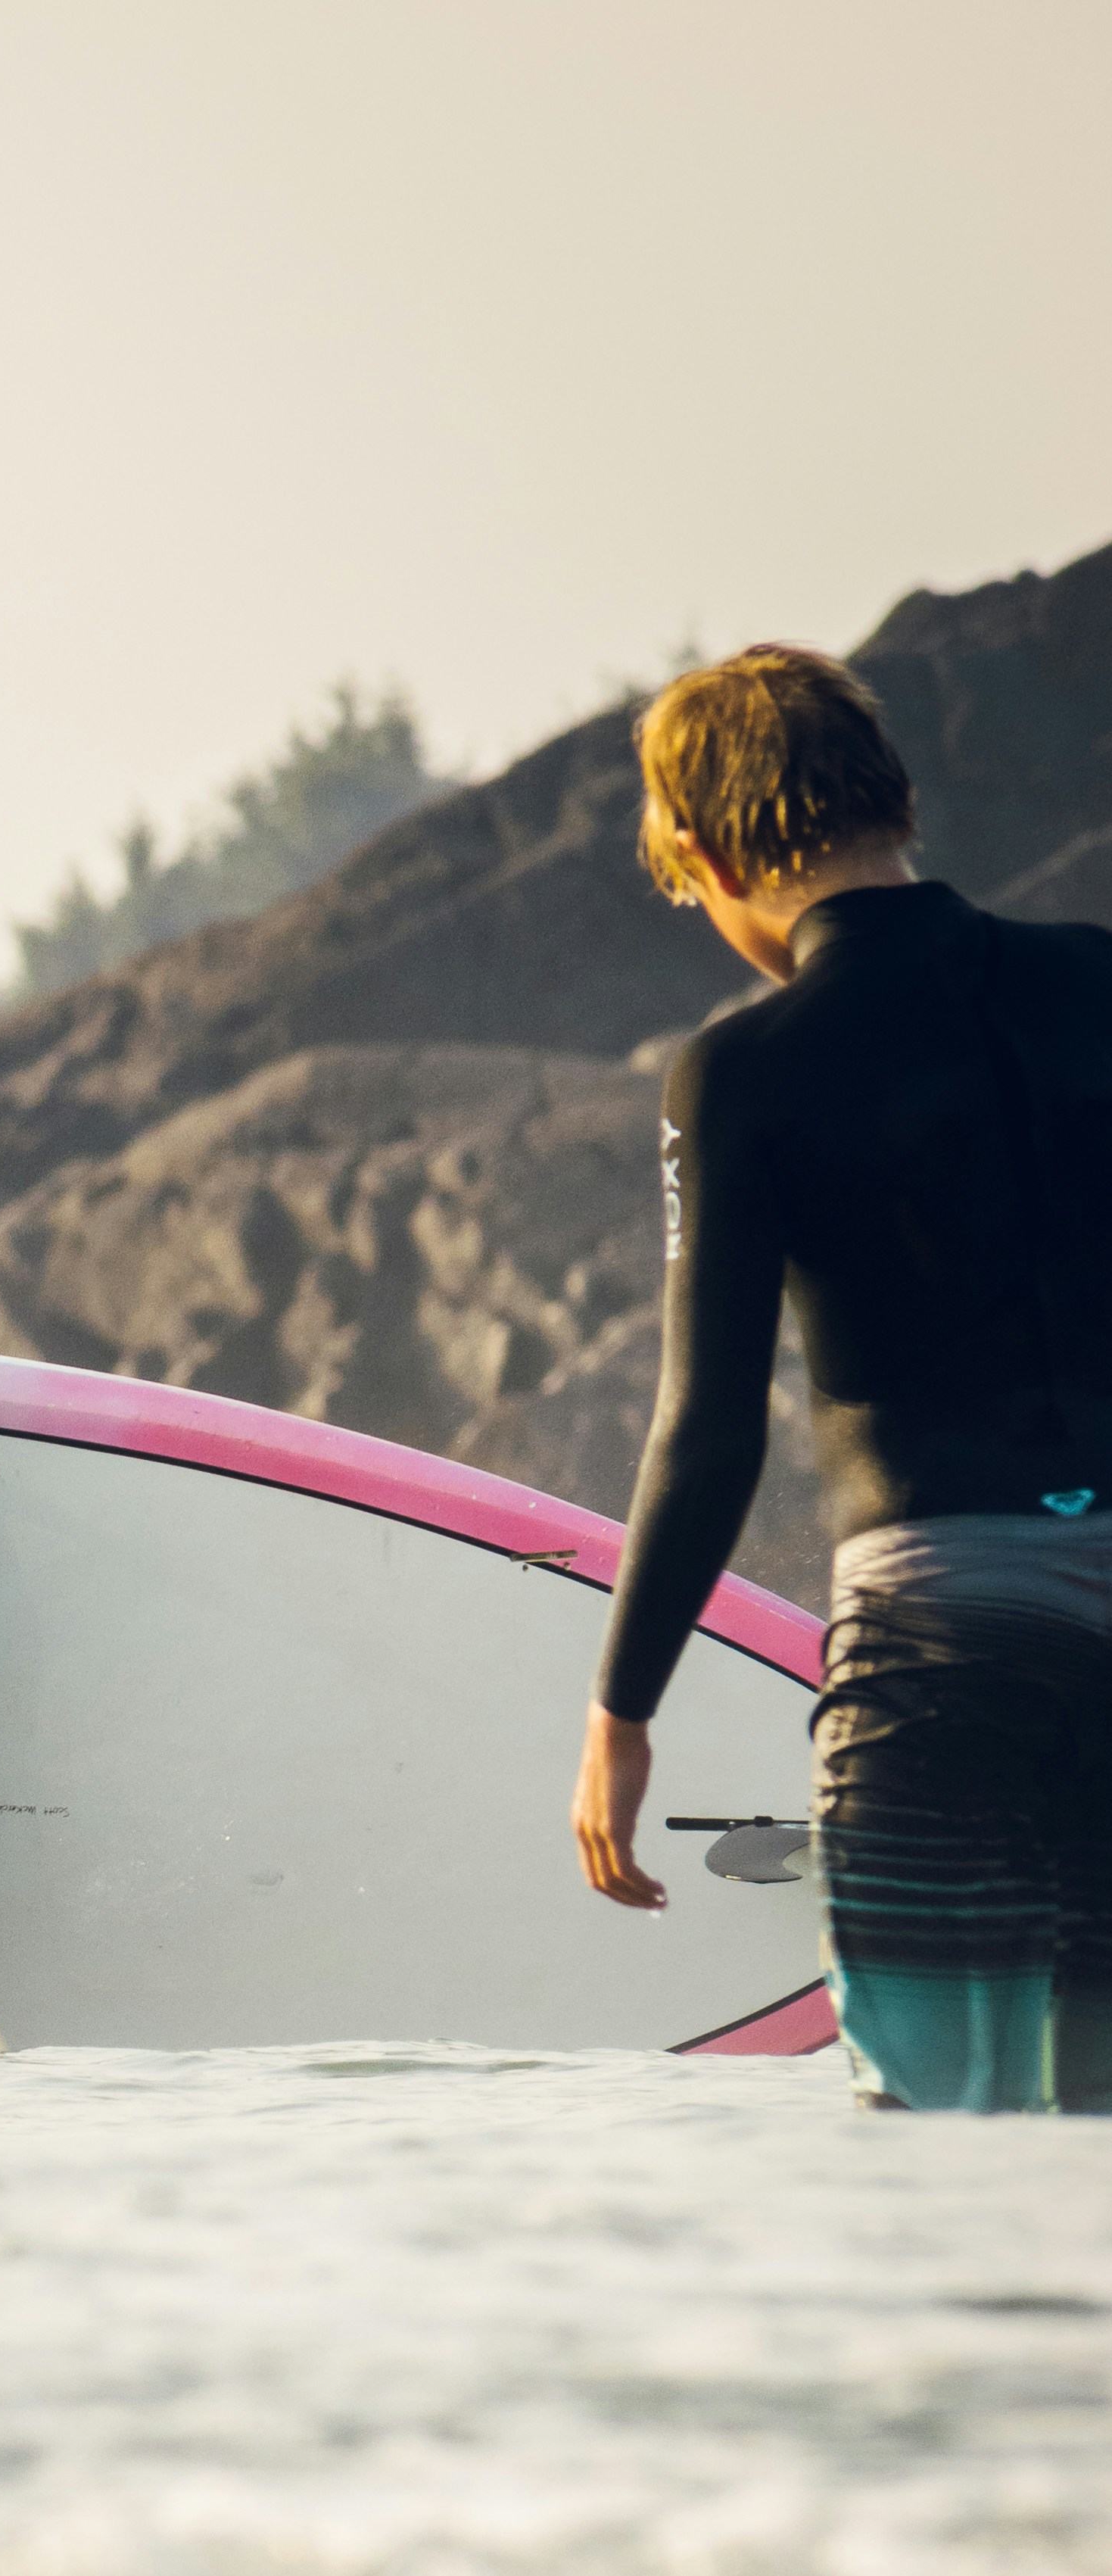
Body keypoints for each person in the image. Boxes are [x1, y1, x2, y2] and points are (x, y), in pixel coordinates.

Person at [571, 642, 1112, 2111]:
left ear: (700, 854)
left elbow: (708, 1431)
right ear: (900, 799)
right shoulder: (1098, 980)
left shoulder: (743, 1069)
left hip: (942, 1652)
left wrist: (622, 1710)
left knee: (935, 2169)